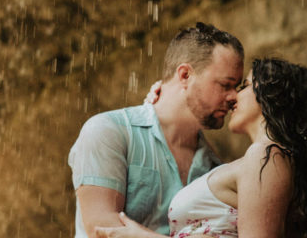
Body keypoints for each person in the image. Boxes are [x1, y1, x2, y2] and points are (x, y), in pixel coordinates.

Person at [95, 57, 307, 238]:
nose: (233, 97)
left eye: (243, 86)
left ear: (272, 96)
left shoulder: (268, 156)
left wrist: (143, 237)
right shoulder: (260, 160)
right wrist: (169, 103)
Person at [68, 23, 245, 238]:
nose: (234, 96)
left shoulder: (213, 168)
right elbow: (102, 232)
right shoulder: (109, 131)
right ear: (185, 75)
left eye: (237, 87)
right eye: (226, 85)